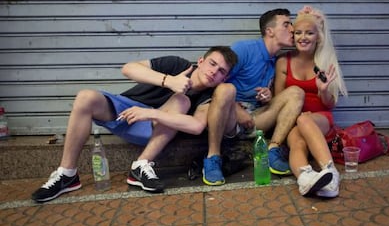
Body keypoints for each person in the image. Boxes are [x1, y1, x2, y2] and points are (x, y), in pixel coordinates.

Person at [31, 46, 238, 202]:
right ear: (201, 61)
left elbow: (196, 126)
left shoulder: (209, 96)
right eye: (212, 64)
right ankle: (67, 174)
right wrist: (168, 81)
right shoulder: (177, 65)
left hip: (153, 126)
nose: (214, 72)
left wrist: (150, 114)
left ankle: (141, 166)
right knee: (85, 97)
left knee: (181, 100)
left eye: (221, 71)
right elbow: (129, 69)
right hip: (126, 112)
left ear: (224, 78)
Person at [202, 8, 305, 186]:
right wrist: (236, 108)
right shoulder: (244, 49)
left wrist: (268, 95)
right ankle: (212, 158)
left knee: (296, 92)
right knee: (226, 89)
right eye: (286, 24)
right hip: (229, 118)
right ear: (269, 31)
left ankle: (273, 150)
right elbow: (214, 82)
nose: (292, 29)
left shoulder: (276, 60)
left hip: (254, 119)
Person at [274, 5, 348, 197]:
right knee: (297, 143)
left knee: (305, 120)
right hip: (293, 120)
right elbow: (279, 101)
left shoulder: (325, 61)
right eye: (298, 32)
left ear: (318, 37)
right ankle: (305, 179)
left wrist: (323, 90)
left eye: (309, 33)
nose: (302, 37)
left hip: (320, 119)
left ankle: (331, 174)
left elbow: (330, 104)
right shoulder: (284, 61)